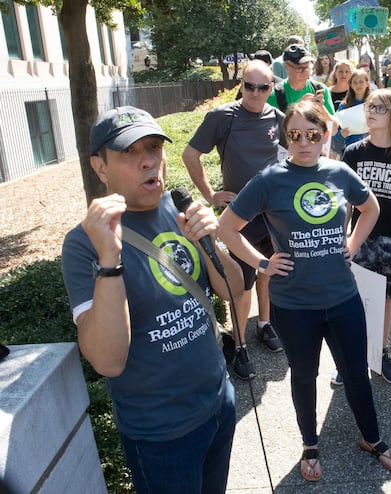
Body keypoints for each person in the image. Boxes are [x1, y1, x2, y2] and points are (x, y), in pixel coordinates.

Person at [61, 106, 244, 493]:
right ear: (100, 167)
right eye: (129, 152)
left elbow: (234, 290)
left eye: (154, 148)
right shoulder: (83, 244)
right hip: (161, 434)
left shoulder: (177, 207)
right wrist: (109, 262)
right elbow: (108, 361)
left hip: (219, 403)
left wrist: (212, 241)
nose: (148, 161)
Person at [218, 101, 391, 481]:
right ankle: (309, 443)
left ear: (325, 136)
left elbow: (370, 209)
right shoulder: (270, 179)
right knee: (304, 375)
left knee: (356, 373)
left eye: (312, 135)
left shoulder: (340, 172)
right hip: (293, 305)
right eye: (295, 135)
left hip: (342, 299)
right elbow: (226, 228)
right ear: (287, 138)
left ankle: (372, 437)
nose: (304, 142)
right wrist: (262, 263)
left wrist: (351, 244)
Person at [182, 60, 286, 380]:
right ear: (241, 85)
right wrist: (211, 194)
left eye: (263, 87)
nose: (255, 92)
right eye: (249, 85)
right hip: (239, 219)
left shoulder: (280, 118)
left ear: (272, 88)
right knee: (241, 284)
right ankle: (239, 345)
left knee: (268, 270)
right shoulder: (222, 117)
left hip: (273, 214)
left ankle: (264, 325)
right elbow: (189, 155)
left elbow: (293, 157)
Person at [340, 89, 391, 385]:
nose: (371, 111)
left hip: (390, 240)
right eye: (370, 106)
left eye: (380, 108)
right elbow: (346, 201)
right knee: (355, 301)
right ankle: (353, 356)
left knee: (384, 300)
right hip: (359, 239)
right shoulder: (353, 153)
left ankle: (381, 352)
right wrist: (343, 235)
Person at [267, 44, 335, 115]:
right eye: (299, 69)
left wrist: (323, 110)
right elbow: (273, 125)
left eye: (307, 67)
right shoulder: (275, 95)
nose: (305, 72)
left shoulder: (320, 90)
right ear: (286, 67)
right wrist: (300, 107)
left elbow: (332, 125)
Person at [335, 68, 371, 151]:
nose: (358, 85)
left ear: (367, 83)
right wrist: (341, 135)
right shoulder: (344, 106)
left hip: (370, 147)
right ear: (350, 85)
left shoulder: (374, 103)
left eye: (361, 82)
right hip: (351, 149)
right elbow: (336, 133)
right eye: (355, 82)